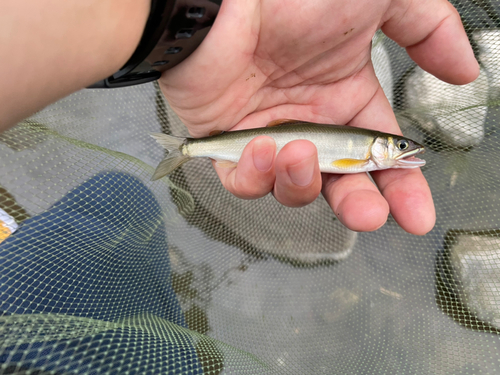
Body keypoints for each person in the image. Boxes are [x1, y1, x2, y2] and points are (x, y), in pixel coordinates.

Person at [1, 0, 479, 235]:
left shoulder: (365, 152)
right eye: (396, 146)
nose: (401, 150)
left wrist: (192, 26)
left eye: (397, 147)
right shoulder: (365, 155)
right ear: (378, 148)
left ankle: (186, 149)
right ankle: (186, 150)